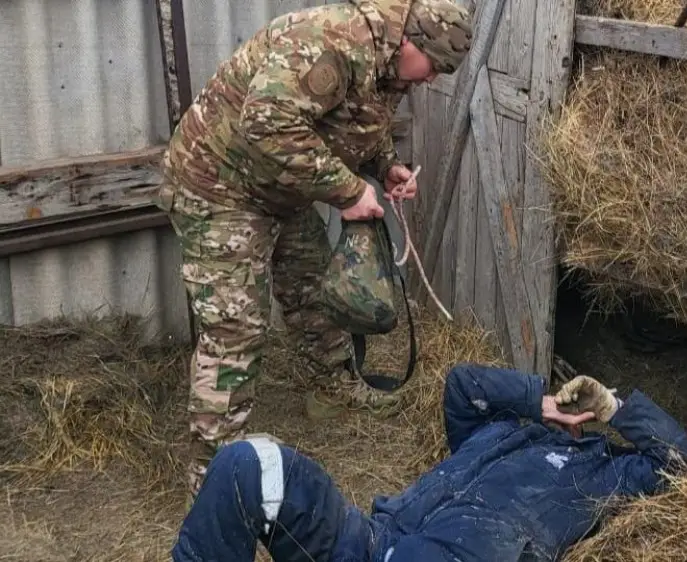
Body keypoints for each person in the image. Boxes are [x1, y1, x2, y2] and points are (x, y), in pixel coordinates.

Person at [153, 0, 474, 498]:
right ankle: (214, 479)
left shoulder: (388, 62)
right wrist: (348, 191)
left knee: (313, 285)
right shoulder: (333, 42)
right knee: (237, 327)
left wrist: (385, 166)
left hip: (280, 187)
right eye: (434, 66)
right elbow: (267, 125)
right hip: (220, 184)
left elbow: (357, 121)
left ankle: (330, 388)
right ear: (411, 41)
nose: (432, 79)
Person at [171, 364, 687, 561]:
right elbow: (461, 384)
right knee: (249, 462)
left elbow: (684, 465)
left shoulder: (606, 470)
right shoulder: (499, 429)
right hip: (372, 542)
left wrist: (614, 409)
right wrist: (535, 402)